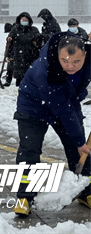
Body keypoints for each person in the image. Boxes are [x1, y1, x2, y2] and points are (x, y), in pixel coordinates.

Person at [13, 34, 91, 216]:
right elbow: (63, 110)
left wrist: (79, 144)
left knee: (82, 152)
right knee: (30, 150)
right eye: (65, 61)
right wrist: (79, 141)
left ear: (85, 55)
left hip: (67, 103)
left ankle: (85, 192)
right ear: (57, 55)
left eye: (76, 61)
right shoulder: (44, 70)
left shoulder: (87, 59)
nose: (70, 66)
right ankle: (25, 197)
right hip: (33, 108)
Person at [7, 12, 42, 86]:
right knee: (19, 74)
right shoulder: (15, 29)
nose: (24, 22)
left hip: (30, 54)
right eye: (22, 20)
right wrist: (9, 38)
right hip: (18, 54)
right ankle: (19, 87)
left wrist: (36, 40)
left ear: (29, 21)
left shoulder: (33, 29)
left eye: (26, 20)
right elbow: (10, 36)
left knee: (30, 72)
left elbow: (38, 38)